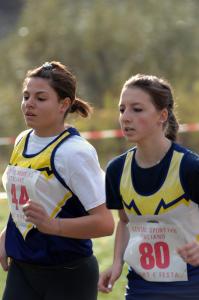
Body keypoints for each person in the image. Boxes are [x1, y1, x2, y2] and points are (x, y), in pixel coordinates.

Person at [0, 61, 114, 300]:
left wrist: (55, 226)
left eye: (41, 98)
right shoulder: (22, 140)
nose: (29, 103)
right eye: (26, 96)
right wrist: (5, 235)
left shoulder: (75, 152)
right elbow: (26, 202)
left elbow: (105, 223)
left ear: (64, 104)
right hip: (22, 269)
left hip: (68, 274)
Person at [98, 74, 199, 299]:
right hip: (141, 287)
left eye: (137, 109)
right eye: (122, 109)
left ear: (162, 115)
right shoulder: (116, 169)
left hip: (191, 287)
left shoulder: (190, 167)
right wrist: (117, 263)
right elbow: (124, 222)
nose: (126, 117)